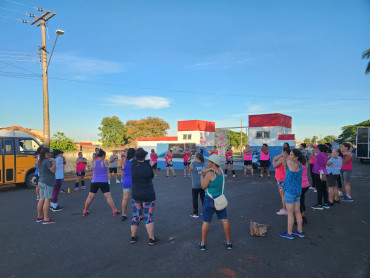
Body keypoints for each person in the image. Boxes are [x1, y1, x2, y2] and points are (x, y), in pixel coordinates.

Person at [199, 154, 231, 251]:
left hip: (210, 199)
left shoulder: (209, 174)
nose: (207, 163)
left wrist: (201, 175)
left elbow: (203, 186)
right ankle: (229, 242)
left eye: (209, 162)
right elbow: (211, 170)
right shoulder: (220, 171)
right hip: (220, 198)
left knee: (206, 221)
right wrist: (207, 170)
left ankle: (202, 244)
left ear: (213, 163)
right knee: (224, 220)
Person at [130, 148, 159, 246]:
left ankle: (133, 237)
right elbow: (152, 175)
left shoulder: (133, 164)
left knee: (136, 215)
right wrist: (151, 164)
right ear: (144, 157)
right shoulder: (147, 168)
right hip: (148, 195)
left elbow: (137, 160)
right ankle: (152, 239)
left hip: (136, 195)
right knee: (148, 216)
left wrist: (146, 162)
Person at [82, 149, 121, 217]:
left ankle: (85, 211)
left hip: (94, 181)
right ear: (103, 155)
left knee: (90, 197)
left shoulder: (93, 161)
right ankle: (114, 211)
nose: (105, 156)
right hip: (103, 181)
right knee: (108, 197)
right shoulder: (105, 161)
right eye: (105, 155)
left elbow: (91, 169)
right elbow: (110, 163)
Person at [279, 149, 304, 239]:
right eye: (290, 154)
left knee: (290, 213)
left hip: (290, 192)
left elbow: (283, 159)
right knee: (297, 212)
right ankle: (300, 231)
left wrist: (283, 155)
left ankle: (289, 233)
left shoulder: (290, 162)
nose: (290, 156)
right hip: (297, 191)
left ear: (297, 157)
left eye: (292, 155)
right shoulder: (299, 165)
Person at [36, 147, 57, 224]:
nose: (50, 154)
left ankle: (39, 217)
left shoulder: (40, 161)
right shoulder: (46, 161)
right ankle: (46, 219)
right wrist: (54, 162)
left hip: (41, 181)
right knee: (47, 200)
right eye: (49, 153)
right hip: (47, 182)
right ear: (46, 153)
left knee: (41, 199)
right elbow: (53, 170)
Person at [273, 147, 291, 216]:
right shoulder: (290, 158)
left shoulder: (282, 159)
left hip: (281, 179)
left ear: (285, 152)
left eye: (282, 151)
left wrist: (273, 160)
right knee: (288, 195)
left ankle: (284, 209)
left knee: (283, 196)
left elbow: (275, 165)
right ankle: (288, 209)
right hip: (287, 179)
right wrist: (280, 155)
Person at [311, 144, 330, 210]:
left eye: (317, 148)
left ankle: (319, 204)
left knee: (319, 188)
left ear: (320, 149)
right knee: (324, 188)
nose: (317, 149)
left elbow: (315, 154)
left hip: (319, 173)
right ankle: (326, 203)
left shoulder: (319, 154)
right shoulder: (324, 155)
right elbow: (315, 158)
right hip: (323, 172)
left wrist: (313, 151)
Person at [189, 153, 206, 218]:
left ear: (196, 158)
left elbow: (189, 172)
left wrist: (190, 168)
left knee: (195, 199)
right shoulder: (203, 164)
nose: (193, 157)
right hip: (202, 184)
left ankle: (195, 213)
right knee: (203, 198)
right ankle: (204, 212)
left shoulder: (193, 163)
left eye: (194, 156)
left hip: (195, 185)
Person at [121, 148, 136, 221]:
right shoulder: (135, 160)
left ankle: (123, 214)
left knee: (125, 198)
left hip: (126, 181)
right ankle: (137, 214)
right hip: (134, 181)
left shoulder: (124, 160)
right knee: (136, 198)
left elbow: (123, 168)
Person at [300, 155, 310, 224]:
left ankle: (301, 218)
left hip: (301, 185)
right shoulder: (305, 164)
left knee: (300, 202)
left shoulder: (298, 166)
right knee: (302, 201)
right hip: (306, 185)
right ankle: (303, 216)